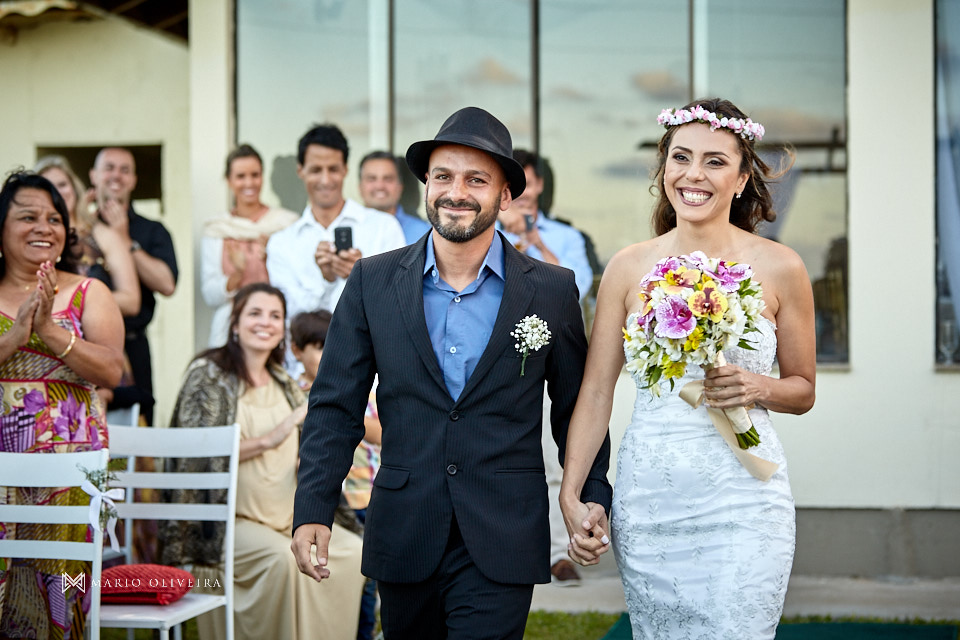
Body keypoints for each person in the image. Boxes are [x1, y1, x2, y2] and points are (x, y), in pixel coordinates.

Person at [291, 106, 612, 640]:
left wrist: (591, 492)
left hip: (503, 533)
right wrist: (312, 508)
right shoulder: (372, 281)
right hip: (404, 530)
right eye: (443, 176)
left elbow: (577, 407)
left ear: (505, 196)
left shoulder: (551, 289)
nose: (455, 192)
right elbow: (335, 406)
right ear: (426, 185)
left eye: (475, 180)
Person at [559, 98, 816, 638]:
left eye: (715, 161)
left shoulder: (782, 267)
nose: (693, 174)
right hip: (652, 495)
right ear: (664, 170)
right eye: (681, 157)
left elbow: (803, 390)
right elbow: (597, 391)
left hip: (746, 495)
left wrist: (756, 385)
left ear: (742, 180)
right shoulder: (627, 267)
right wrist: (572, 490)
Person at [159, 283, 365, 640]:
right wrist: (269, 440)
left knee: (352, 551)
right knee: (283, 560)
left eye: (274, 316)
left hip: (286, 517)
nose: (265, 323)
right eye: (255, 313)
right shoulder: (208, 374)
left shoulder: (284, 381)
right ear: (235, 322)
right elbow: (193, 451)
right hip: (230, 522)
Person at [0, 171, 124, 639]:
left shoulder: (90, 291)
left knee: (61, 587)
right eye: (27, 216)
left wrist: (50, 332)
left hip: (68, 471)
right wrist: (14, 338)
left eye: (54, 218)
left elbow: (112, 371)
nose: (43, 227)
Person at [495, 148, 595, 586]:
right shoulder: (484, 231)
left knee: (555, 462)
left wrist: (534, 242)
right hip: (498, 364)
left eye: (530, 181)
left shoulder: (566, 237)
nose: (523, 190)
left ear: (538, 186)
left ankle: (558, 553)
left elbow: (574, 288)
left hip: (549, 362)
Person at [289, 308, 382, 640]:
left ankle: (363, 632)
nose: (326, 355)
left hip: (366, 495)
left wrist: (344, 413)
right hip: (330, 501)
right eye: (317, 347)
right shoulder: (295, 393)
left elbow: (382, 433)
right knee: (335, 569)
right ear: (296, 350)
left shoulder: (362, 390)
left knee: (369, 576)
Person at [266, 124, 405, 325]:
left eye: (333, 169)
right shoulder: (281, 244)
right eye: (316, 170)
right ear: (300, 170)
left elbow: (399, 301)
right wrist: (327, 281)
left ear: (345, 169)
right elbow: (289, 315)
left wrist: (361, 278)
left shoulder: (384, 228)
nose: (325, 180)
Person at [87, 147, 178, 425]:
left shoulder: (152, 230)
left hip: (134, 344)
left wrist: (125, 239)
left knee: (140, 432)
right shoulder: (79, 228)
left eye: (124, 170)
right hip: (85, 346)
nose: (116, 175)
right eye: (109, 168)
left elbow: (167, 284)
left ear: (134, 180)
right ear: (94, 176)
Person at [202, 144, 298, 347]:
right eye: (240, 176)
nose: (249, 183)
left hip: (275, 329)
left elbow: (298, 284)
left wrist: (274, 255)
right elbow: (210, 296)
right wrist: (237, 274)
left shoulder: (284, 224)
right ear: (229, 180)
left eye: (255, 175)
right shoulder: (218, 229)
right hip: (231, 332)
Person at [34, 155, 141, 320]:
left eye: (62, 185)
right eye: (48, 187)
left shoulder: (102, 235)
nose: (57, 192)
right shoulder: (33, 238)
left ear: (74, 189)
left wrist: (73, 302)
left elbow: (131, 301)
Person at [497, 149, 593, 303]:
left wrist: (540, 246)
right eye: (514, 187)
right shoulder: (489, 233)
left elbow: (578, 289)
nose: (520, 193)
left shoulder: (569, 236)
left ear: (539, 185)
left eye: (526, 185)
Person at [358, 150, 431, 244]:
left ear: (400, 187)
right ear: (360, 187)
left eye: (388, 179)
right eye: (371, 179)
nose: (380, 186)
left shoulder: (424, 233)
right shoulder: (347, 228)